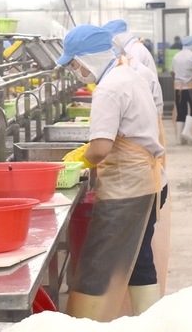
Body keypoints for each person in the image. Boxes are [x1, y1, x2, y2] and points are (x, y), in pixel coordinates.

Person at [59, 25, 165, 321]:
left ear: (86, 59)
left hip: (128, 187)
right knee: (139, 258)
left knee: (100, 262)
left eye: (73, 63)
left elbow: (101, 149)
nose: (73, 70)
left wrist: (78, 161)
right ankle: (149, 323)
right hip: (147, 180)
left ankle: (89, 323)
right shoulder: (127, 72)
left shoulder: (108, 88)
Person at [171, 36, 192, 145]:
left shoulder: (176, 56)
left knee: (180, 111)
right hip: (191, 88)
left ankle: (179, 139)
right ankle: (187, 131)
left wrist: (178, 80)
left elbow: (172, 72)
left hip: (178, 88)